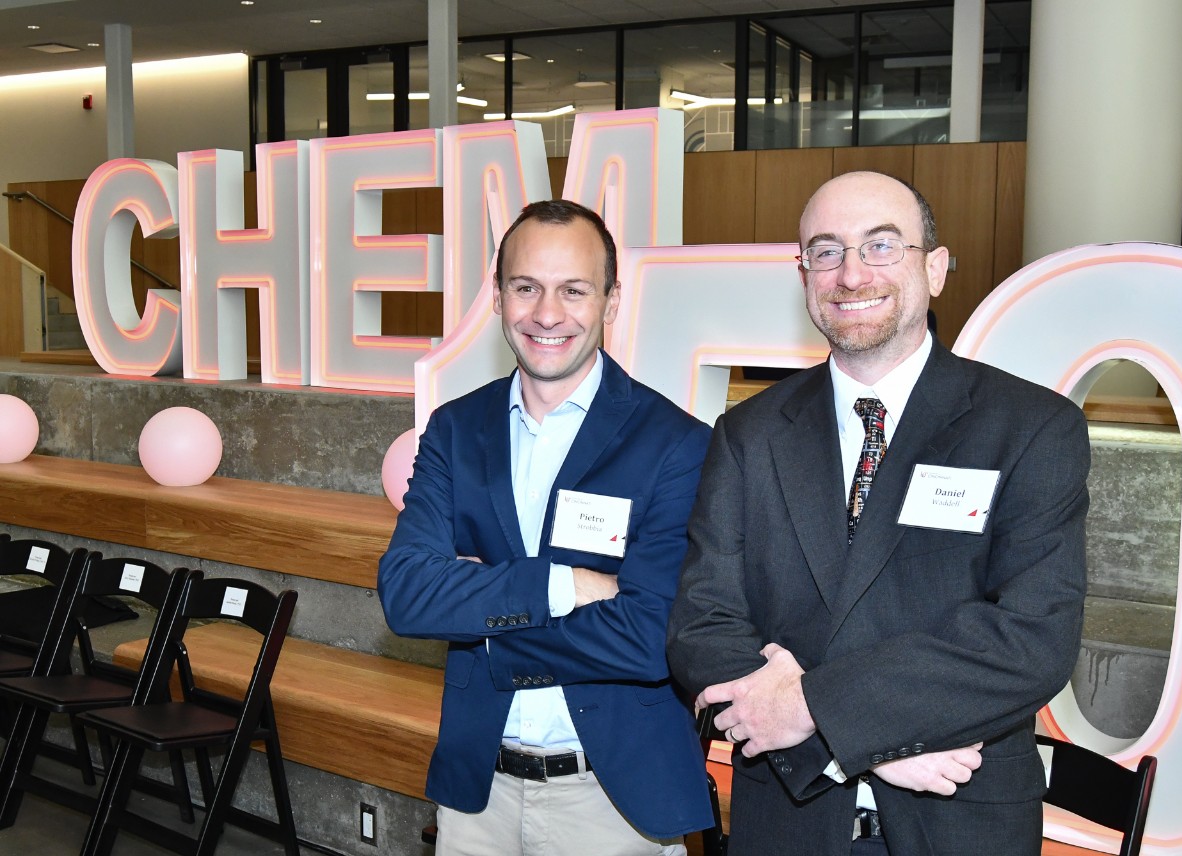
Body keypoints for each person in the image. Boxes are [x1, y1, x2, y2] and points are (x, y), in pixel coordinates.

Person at [666, 171, 1090, 855]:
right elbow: (701, 626)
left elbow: (1031, 639)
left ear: (936, 268)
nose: (852, 273)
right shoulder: (748, 435)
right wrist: (857, 745)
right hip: (789, 822)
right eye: (826, 251)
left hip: (959, 824)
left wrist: (816, 708)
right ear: (804, 275)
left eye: (882, 245)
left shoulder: (1032, 427)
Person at [379, 199, 713, 855]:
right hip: (479, 798)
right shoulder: (453, 429)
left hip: (613, 802)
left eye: (574, 290)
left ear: (611, 301)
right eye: (526, 287)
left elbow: (652, 636)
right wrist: (567, 586)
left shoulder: (676, 443)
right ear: (498, 296)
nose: (548, 313)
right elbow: (407, 594)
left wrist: (485, 625)